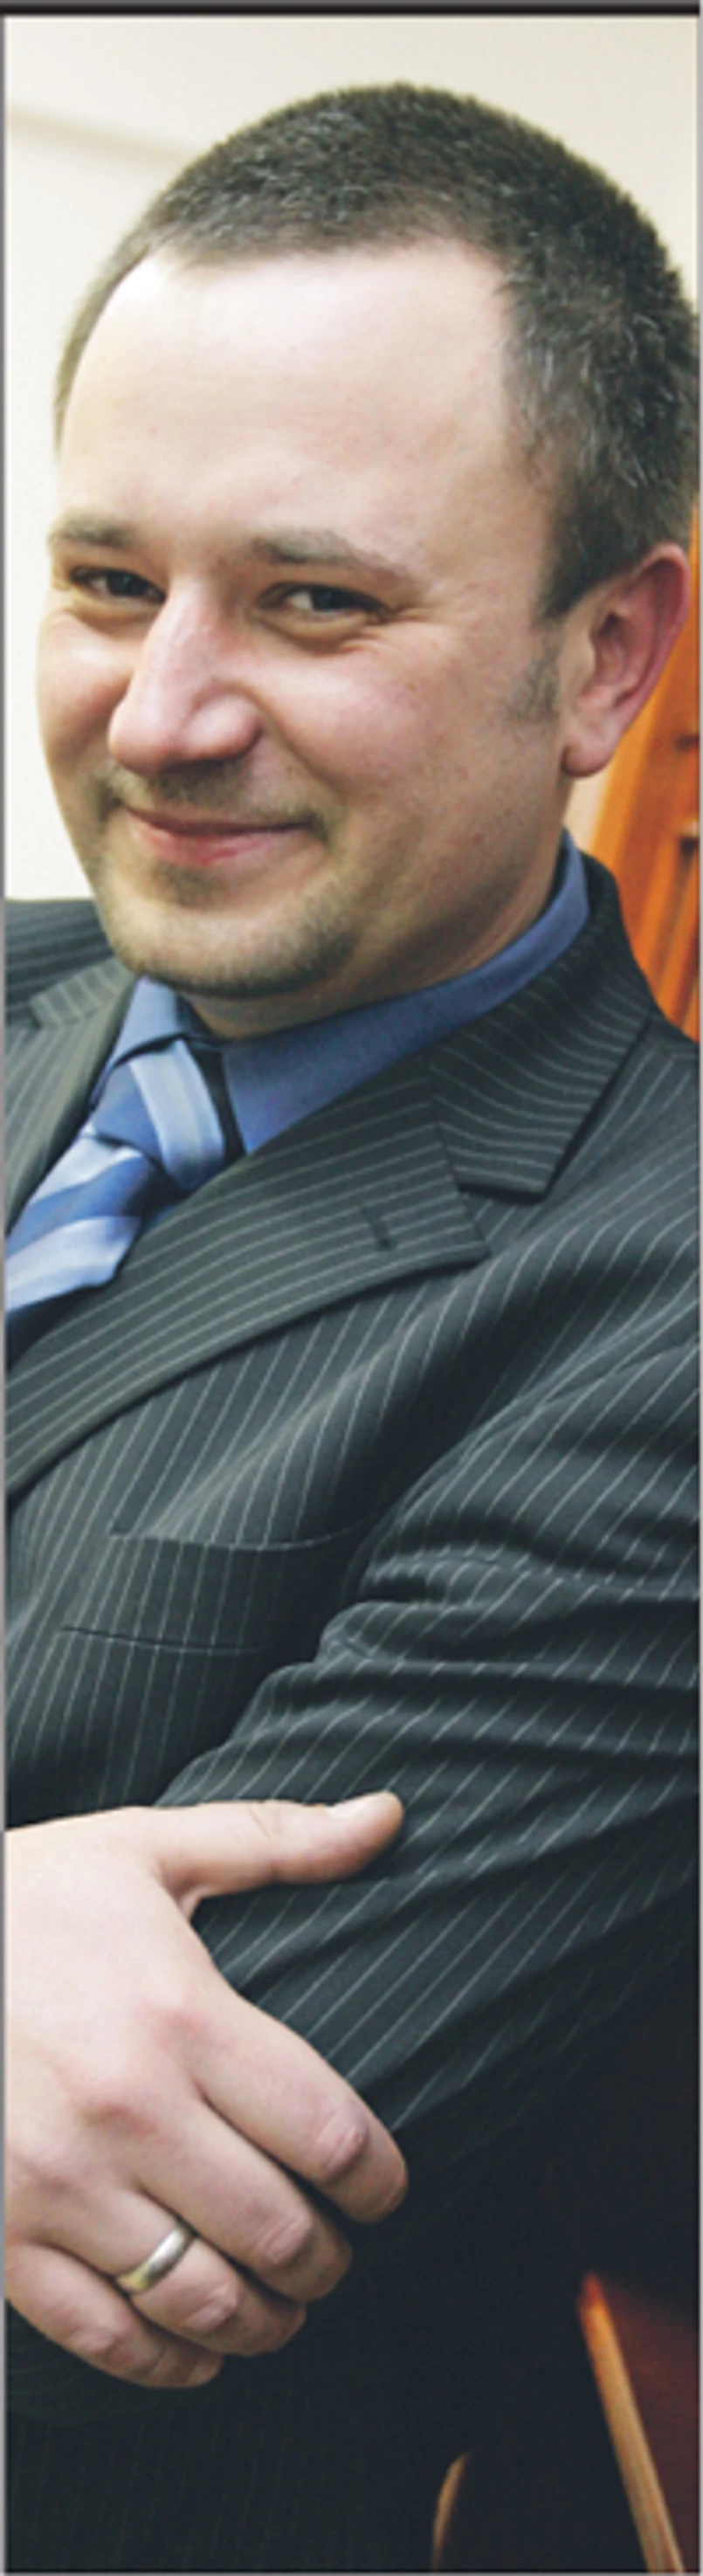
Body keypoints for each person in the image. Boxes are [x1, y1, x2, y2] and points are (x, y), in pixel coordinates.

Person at [6, 81, 698, 2576]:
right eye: (110, 581)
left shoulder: (662, 1310)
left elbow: (131, 2245)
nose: (162, 717)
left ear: (601, 657)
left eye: (312, 604)